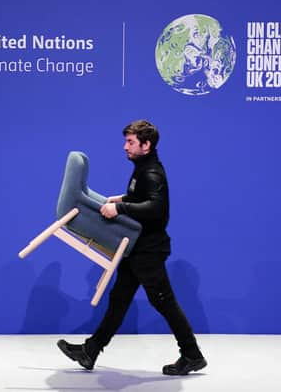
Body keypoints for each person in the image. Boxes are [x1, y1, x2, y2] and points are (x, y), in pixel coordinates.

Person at [57, 120, 207, 375]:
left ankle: (192, 355)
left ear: (146, 145)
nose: (125, 147)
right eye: (126, 141)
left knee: (164, 303)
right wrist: (123, 198)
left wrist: (121, 208)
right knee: (119, 300)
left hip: (148, 250)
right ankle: (90, 351)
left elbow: (158, 209)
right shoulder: (142, 168)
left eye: (130, 142)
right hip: (136, 248)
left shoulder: (151, 172)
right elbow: (143, 199)